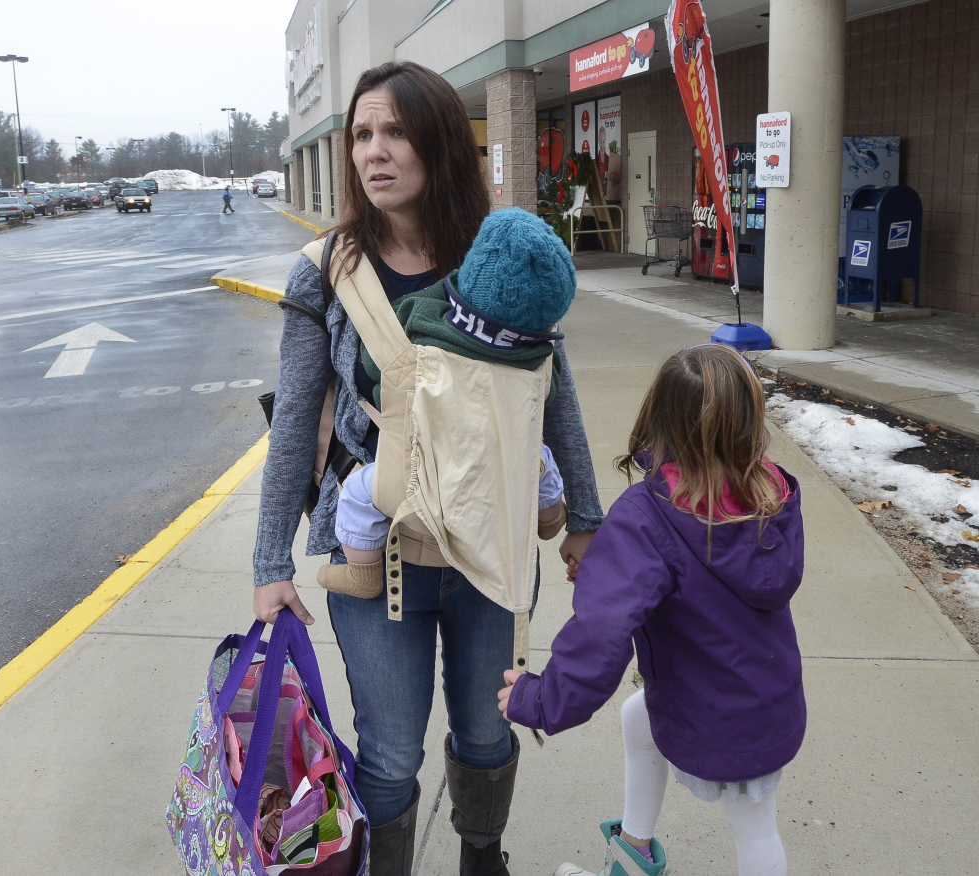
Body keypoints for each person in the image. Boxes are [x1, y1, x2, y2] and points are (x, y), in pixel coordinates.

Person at [252, 60, 604, 876]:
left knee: (487, 730)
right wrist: (271, 561)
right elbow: (295, 422)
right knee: (390, 752)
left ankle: (483, 858)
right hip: (374, 560)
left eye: (396, 133)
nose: (374, 153)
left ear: (439, 143)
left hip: (492, 542)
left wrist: (584, 516)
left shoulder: (497, 258)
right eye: (362, 135)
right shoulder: (324, 272)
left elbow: (556, 400)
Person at [498, 344, 805, 876]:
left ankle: (632, 857)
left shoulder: (647, 517)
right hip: (764, 701)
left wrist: (543, 698)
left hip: (716, 716)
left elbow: (602, 630)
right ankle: (631, 856)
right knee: (638, 718)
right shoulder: (769, 492)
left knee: (755, 830)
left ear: (660, 417)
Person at [320, 207, 572, 597]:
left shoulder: (425, 320)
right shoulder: (539, 358)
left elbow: (375, 375)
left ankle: (363, 573)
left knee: (357, 493)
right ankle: (550, 514)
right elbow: (552, 395)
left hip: (423, 474)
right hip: (503, 466)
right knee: (539, 460)